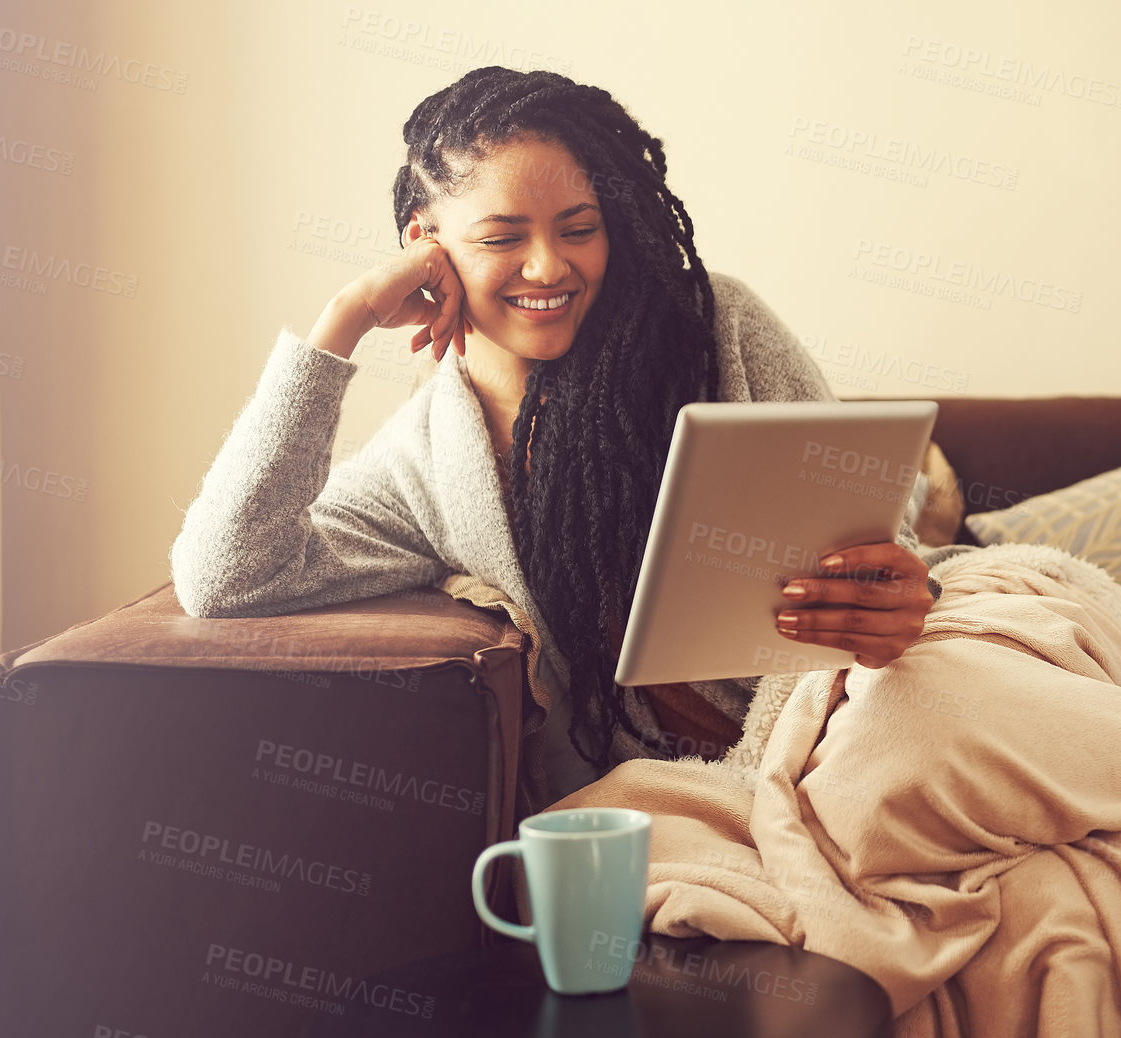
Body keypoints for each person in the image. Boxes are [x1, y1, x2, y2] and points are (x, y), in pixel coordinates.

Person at [170, 66, 953, 800]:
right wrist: (343, 323)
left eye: (579, 229)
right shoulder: (426, 467)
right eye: (503, 238)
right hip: (693, 789)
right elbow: (228, 575)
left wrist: (898, 587)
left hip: (852, 709)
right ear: (423, 245)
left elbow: (880, 546)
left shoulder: (713, 326)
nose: (548, 268)